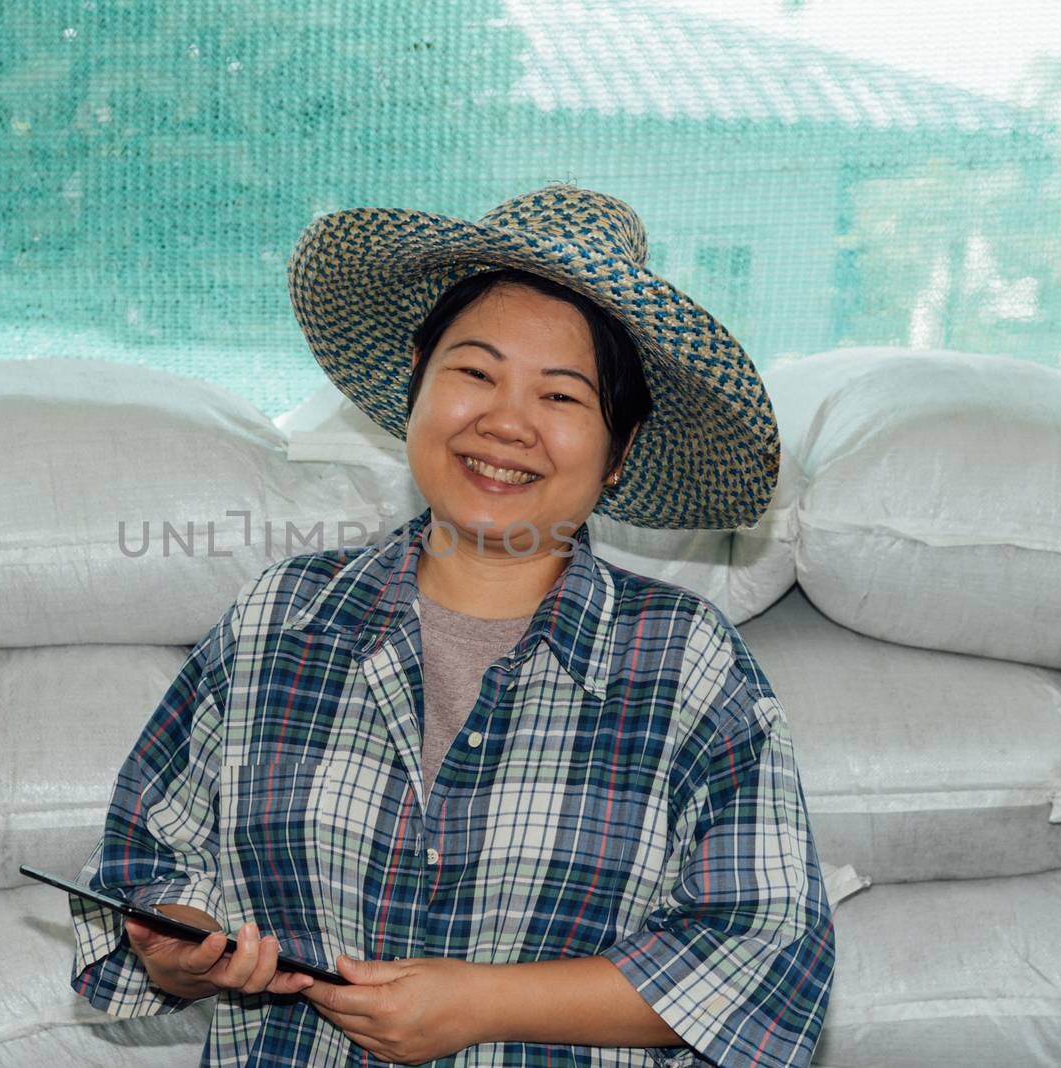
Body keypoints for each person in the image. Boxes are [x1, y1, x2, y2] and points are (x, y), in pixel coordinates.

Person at [69, 184, 835, 1067]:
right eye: (475, 372)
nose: (506, 423)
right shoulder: (280, 620)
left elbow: (769, 958)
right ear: (416, 389)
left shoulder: (685, 661)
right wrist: (184, 955)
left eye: (562, 396)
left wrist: (479, 1003)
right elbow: (145, 864)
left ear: (618, 453)